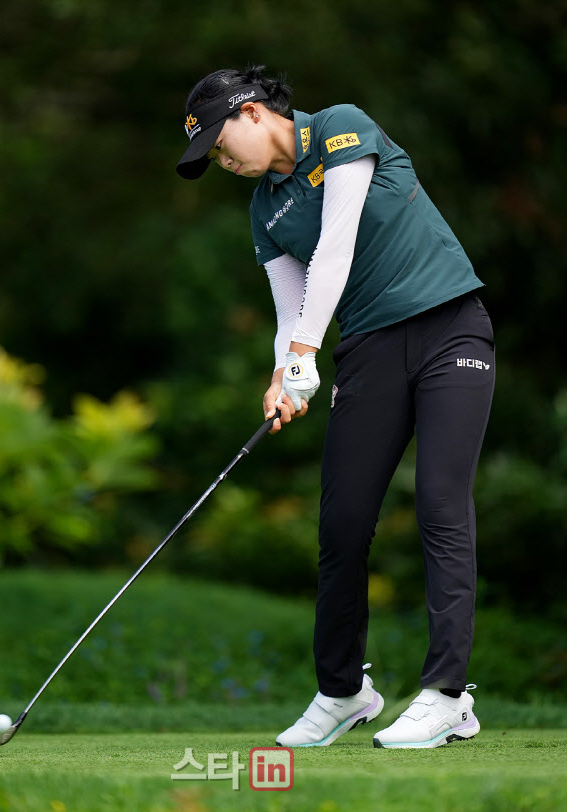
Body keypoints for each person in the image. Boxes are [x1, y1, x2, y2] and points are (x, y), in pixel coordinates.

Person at [176, 65, 495, 750]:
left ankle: (447, 695)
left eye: (221, 145)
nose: (223, 162)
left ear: (252, 113)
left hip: (449, 329)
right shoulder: (265, 209)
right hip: (370, 351)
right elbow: (290, 306)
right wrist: (282, 374)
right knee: (343, 523)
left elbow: (336, 244)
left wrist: (303, 352)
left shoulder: (341, 127)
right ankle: (344, 692)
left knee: (441, 503)